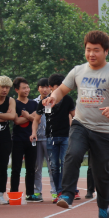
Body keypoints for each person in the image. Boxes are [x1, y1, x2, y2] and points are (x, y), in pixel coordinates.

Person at [45, 31, 109, 218]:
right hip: (81, 124)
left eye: (96, 50)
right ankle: (67, 194)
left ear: (106, 51)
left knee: (101, 172)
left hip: (104, 129)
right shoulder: (78, 71)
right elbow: (62, 90)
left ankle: (103, 205)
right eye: (88, 50)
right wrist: (53, 97)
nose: (91, 54)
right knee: (73, 154)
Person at [36, 74, 75, 204]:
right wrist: (33, 132)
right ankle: (58, 192)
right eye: (57, 86)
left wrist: (77, 131)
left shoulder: (68, 99)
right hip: (50, 137)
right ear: (51, 87)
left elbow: (74, 116)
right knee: (53, 166)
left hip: (65, 137)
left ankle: (65, 192)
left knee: (65, 164)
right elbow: (36, 119)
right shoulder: (45, 101)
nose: (60, 89)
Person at [9, 77, 38, 201]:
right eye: (23, 88)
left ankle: (30, 193)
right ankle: (14, 194)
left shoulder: (34, 104)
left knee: (31, 168)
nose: (27, 90)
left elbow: (38, 120)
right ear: (17, 90)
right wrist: (30, 116)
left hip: (32, 139)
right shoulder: (14, 103)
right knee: (16, 168)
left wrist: (27, 116)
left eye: (28, 87)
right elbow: (16, 121)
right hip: (17, 139)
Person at [0, 76, 16, 205]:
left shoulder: (10, 100)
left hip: (5, 138)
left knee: (3, 166)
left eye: (7, 88)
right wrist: (4, 116)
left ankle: (0, 194)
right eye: (2, 87)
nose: (5, 90)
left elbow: (12, 116)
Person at [33, 78, 50, 201]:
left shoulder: (53, 101)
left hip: (50, 138)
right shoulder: (34, 103)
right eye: (42, 87)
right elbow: (34, 119)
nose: (45, 89)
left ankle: (55, 191)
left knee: (52, 167)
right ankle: (37, 192)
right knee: (37, 167)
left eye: (47, 87)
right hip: (37, 138)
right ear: (38, 88)